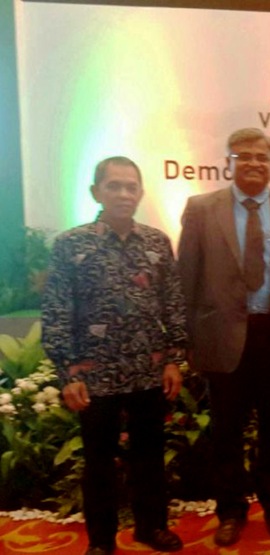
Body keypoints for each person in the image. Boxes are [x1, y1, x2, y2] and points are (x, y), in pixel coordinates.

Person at [177, 128, 270, 546]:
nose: (254, 163)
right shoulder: (201, 209)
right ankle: (230, 510)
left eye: (262, 156)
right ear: (229, 162)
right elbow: (186, 276)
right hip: (222, 336)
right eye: (244, 156)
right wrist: (185, 338)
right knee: (227, 431)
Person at [42, 156, 186, 555]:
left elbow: (173, 303)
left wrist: (173, 359)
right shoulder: (71, 245)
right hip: (95, 375)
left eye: (131, 187)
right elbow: (57, 310)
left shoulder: (156, 242)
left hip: (147, 369)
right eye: (114, 186)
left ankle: (151, 527)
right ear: (96, 192)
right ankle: (102, 541)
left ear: (140, 193)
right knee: (99, 463)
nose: (124, 194)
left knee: (149, 457)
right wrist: (68, 373)